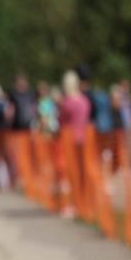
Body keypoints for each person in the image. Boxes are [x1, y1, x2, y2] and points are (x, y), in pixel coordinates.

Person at [58, 70, 91, 219]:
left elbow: (61, 122)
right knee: (82, 173)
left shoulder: (67, 102)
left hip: (69, 141)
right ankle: (83, 203)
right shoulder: (84, 101)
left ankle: (72, 205)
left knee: (71, 174)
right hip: (84, 139)